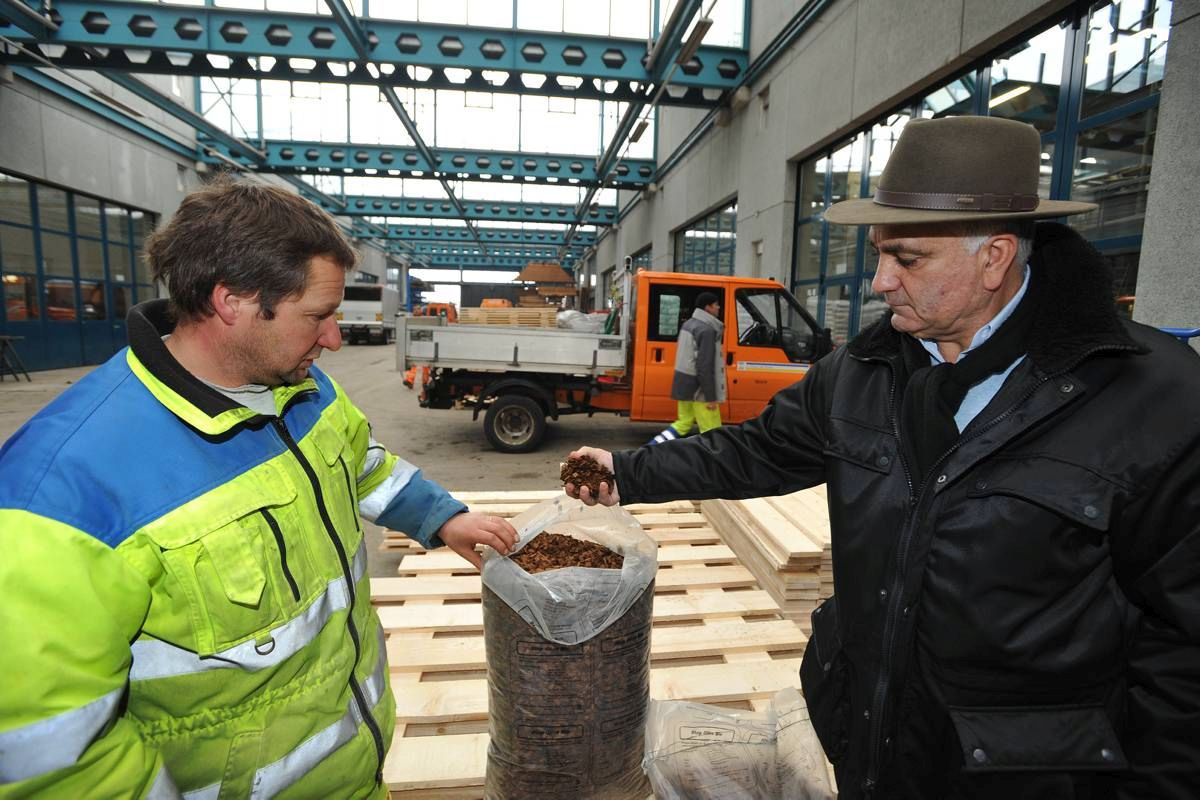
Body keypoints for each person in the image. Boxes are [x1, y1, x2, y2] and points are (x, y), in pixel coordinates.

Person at [566, 116, 1200, 799]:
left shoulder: (1152, 398)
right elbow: (759, 449)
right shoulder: (862, 371)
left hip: (1028, 778)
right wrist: (626, 473)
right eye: (878, 255)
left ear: (995, 257)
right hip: (871, 745)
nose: (879, 282)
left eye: (907, 258)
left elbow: (1184, 650)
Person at [0, 178, 518, 798]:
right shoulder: (61, 494)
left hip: (356, 772)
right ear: (233, 301)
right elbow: (51, 758)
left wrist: (440, 517)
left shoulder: (301, 390)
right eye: (319, 316)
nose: (333, 339)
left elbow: (360, 463)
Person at [648, 291, 726, 445]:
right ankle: (711, 465)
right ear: (708, 307)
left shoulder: (688, 324)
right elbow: (704, 366)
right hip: (700, 390)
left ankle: (651, 447)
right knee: (713, 433)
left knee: (683, 423)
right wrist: (710, 397)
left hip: (684, 384)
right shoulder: (707, 330)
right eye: (716, 305)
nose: (719, 308)